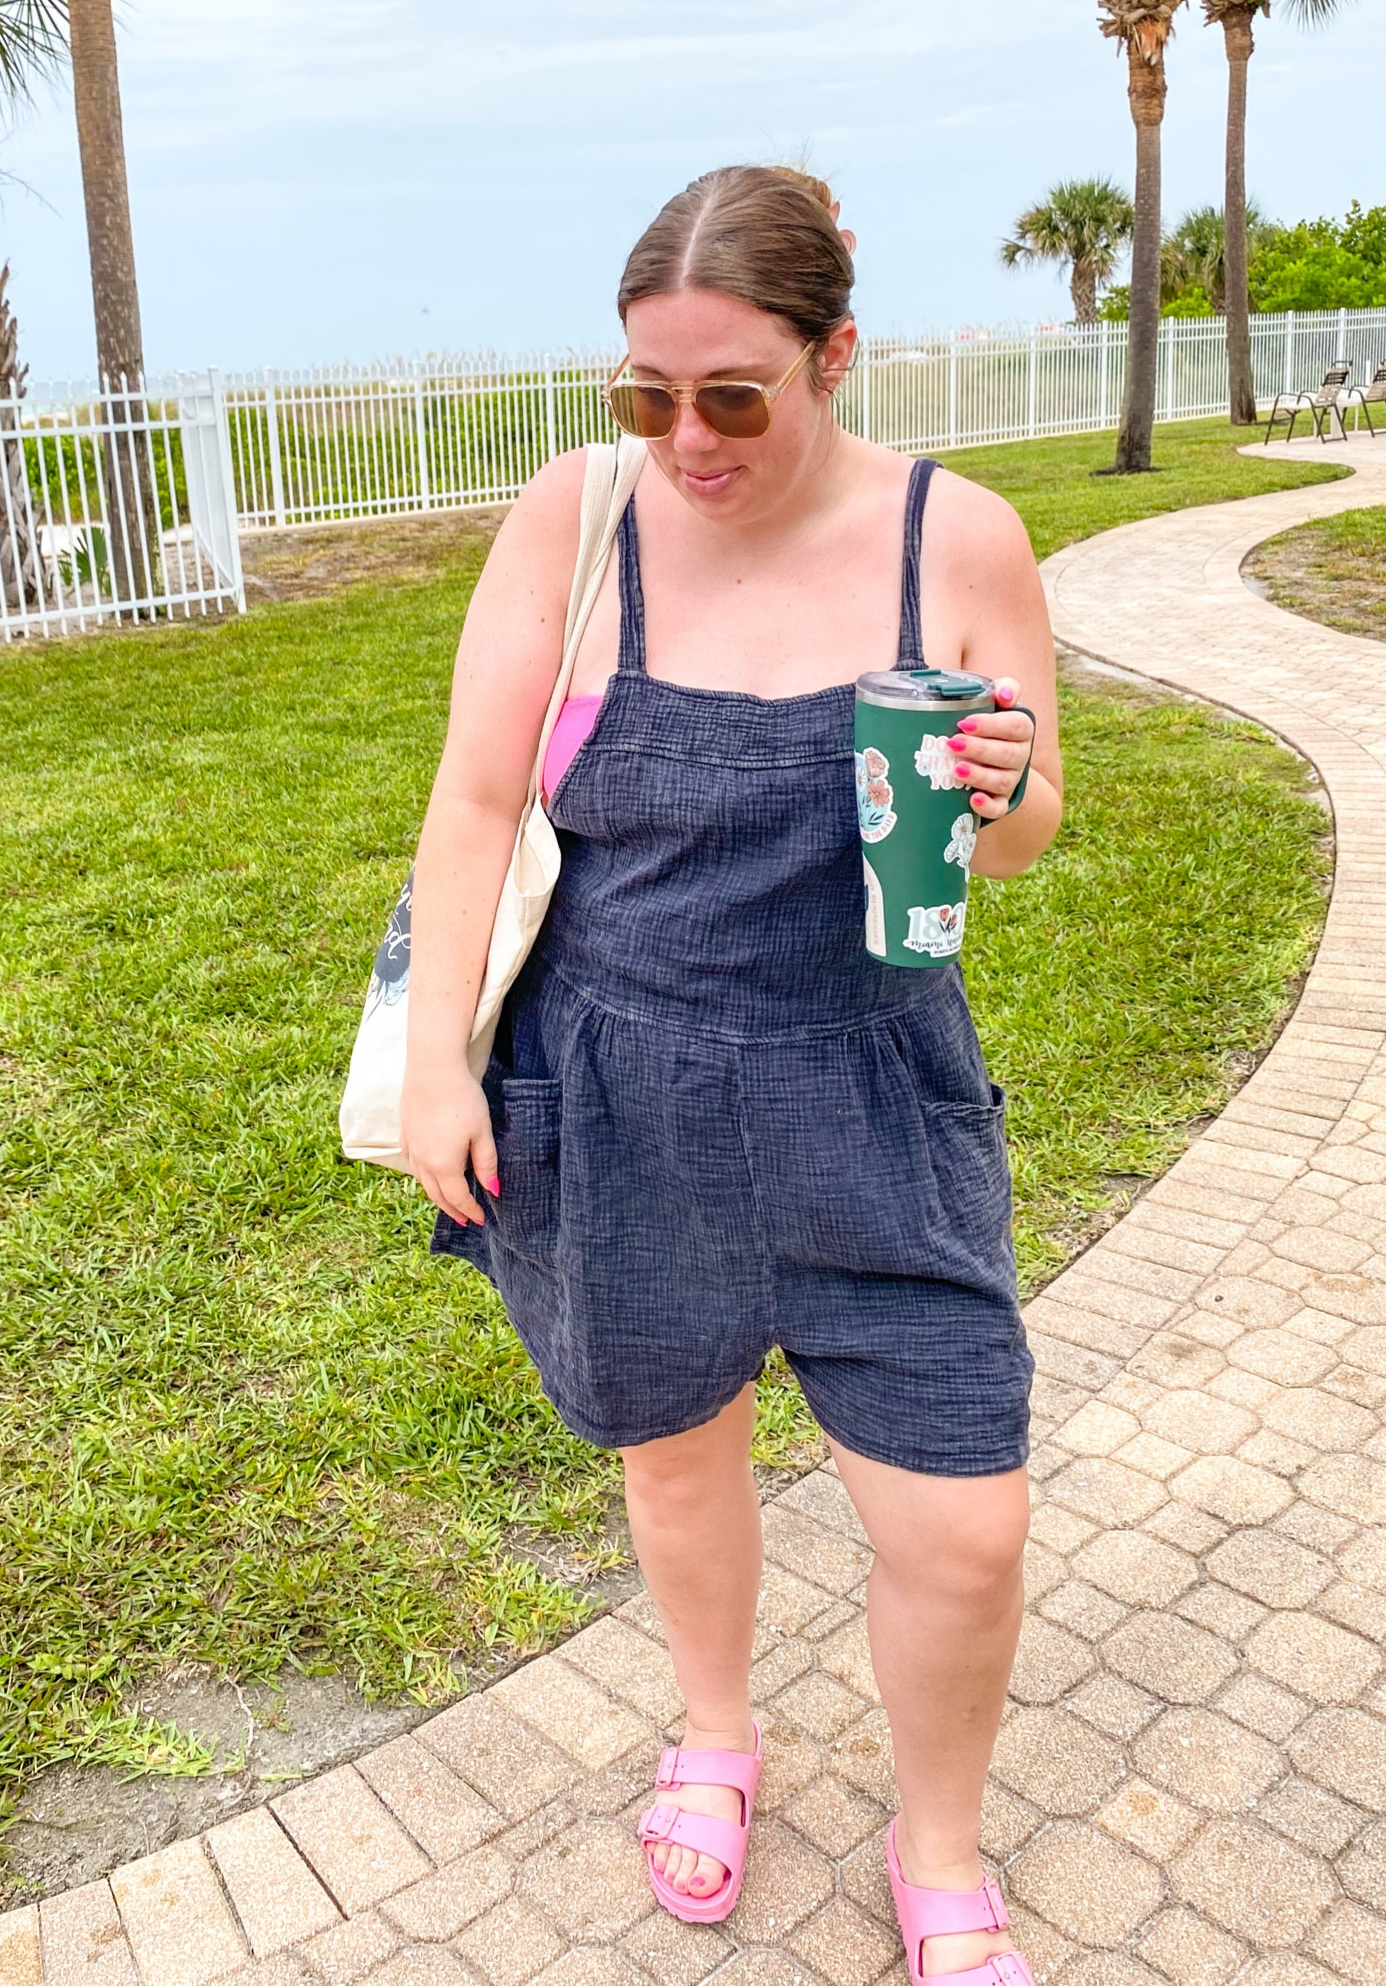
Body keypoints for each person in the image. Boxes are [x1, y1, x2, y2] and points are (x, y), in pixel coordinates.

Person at [399, 165, 1061, 1978]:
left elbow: (1018, 837)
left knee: (964, 1525)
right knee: (678, 1467)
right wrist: (444, 1065)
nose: (684, 437)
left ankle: (940, 1853)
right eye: (648, 395)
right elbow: (473, 804)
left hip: (875, 1094)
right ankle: (717, 1738)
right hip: (619, 1094)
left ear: (838, 355)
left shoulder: (960, 539)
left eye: (733, 397)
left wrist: (1007, 798)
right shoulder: (578, 518)